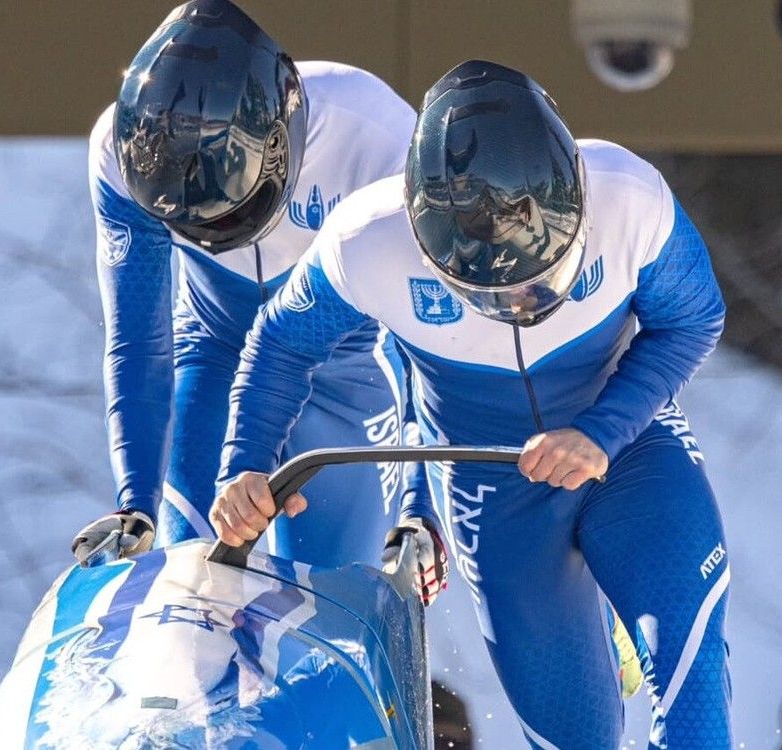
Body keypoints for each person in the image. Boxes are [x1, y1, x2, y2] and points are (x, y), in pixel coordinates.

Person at [212, 60, 731, 748]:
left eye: (539, 279)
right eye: (486, 293)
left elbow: (694, 321)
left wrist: (601, 432)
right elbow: (278, 345)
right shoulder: (365, 240)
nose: (517, 308)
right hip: (494, 492)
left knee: (691, 685)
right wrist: (246, 465)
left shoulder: (630, 196)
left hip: (628, 454)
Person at [71, 0, 420, 570]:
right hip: (214, 353)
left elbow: (427, 336)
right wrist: (135, 503)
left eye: (232, 211)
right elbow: (139, 339)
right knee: (192, 580)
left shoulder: (378, 135)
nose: (219, 236)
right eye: (192, 223)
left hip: (349, 371)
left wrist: (417, 507)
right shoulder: (120, 152)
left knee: (336, 595)